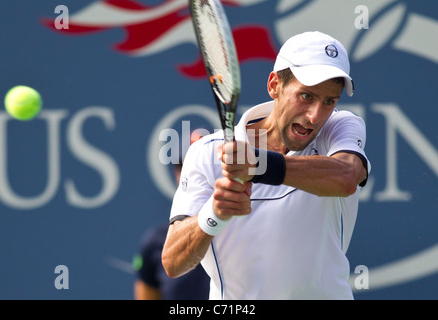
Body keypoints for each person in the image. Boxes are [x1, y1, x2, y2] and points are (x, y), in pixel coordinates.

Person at [162, 31, 371, 300]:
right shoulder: (205, 153)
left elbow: (347, 177)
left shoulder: (340, 127)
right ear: (274, 85)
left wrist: (260, 164)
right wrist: (213, 213)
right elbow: (173, 262)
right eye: (306, 96)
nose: (315, 115)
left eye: (329, 101)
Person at [134, 146, 210, 300]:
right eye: (186, 166)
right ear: (177, 174)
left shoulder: (248, 230)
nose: (195, 173)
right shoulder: (154, 241)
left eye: (204, 165)